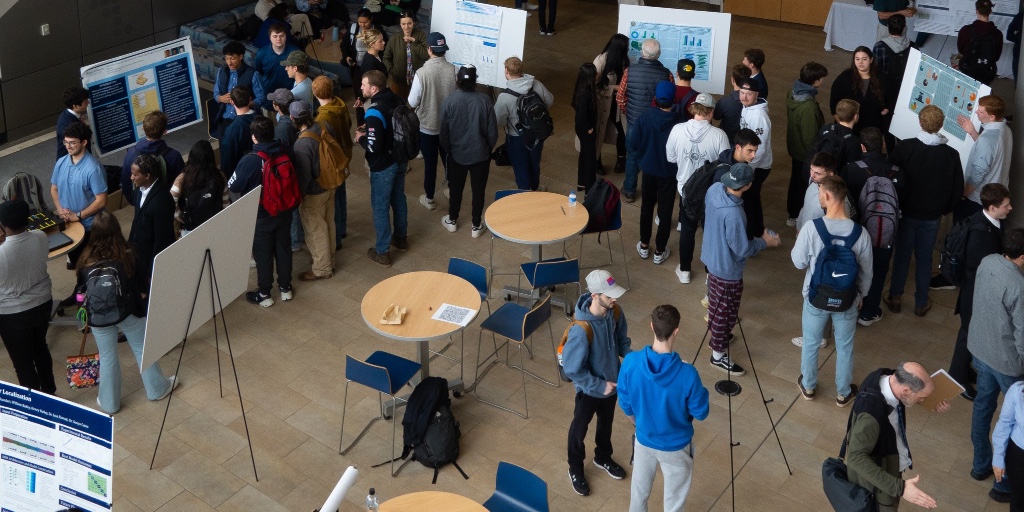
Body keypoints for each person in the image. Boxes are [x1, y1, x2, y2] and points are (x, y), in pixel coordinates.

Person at [77, 212, 176, 414]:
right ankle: (157, 389)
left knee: (107, 357)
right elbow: (142, 282)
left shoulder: (85, 258)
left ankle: (109, 403)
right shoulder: (129, 252)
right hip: (128, 311)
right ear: (117, 230)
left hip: (98, 317)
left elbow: (80, 290)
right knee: (141, 348)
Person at [617, 304, 709, 512]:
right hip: (676, 446)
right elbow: (701, 412)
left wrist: (638, 422)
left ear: (651, 327)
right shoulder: (688, 374)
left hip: (643, 441)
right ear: (676, 331)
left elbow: (624, 401)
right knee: (674, 503)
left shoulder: (630, 362)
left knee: (638, 495)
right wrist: (693, 380)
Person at [792, 175, 873, 406]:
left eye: (819, 194)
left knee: (811, 342)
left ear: (827, 196)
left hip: (816, 298)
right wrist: (860, 296)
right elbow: (867, 273)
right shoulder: (861, 234)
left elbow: (798, 262)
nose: (819, 197)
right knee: (845, 345)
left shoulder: (811, 228)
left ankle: (808, 386)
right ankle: (843, 392)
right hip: (847, 300)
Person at [701, 163, 781, 375]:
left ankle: (719, 335)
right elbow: (742, 248)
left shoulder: (714, 190)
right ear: (747, 186)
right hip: (727, 270)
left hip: (711, 259)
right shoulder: (735, 214)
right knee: (725, 312)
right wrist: (765, 242)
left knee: (715, 305)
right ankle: (717, 354)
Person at [885, 105, 963, 317]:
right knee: (924, 257)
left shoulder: (904, 148)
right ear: (941, 125)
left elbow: (891, 179)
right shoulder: (951, 154)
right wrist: (943, 209)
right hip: (932, 216)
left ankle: (895, 296)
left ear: (920, 123)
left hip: (907, 212)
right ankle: (921, 302)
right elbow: (957, 189)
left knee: (901, 255)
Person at [562, 269, 632, 497]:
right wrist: (599, 386)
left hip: (612, 384)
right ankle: (575, 467)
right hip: (589, 391)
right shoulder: (581, 330)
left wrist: (635, 361)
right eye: (609, 295)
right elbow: (572, 369)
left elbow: (622, 343)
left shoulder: (615, 312)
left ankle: (602, 457)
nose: (615, 299)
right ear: (594, 295)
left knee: (606, 424)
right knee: (578, 430)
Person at [968, 229, 1024, 504]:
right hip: (1006, 361)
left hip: (980, 348)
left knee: (982, 407)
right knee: (1013, 419)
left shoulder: (988, 261)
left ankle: (980, 466)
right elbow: (1021, 333)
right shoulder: (1018, 284)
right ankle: (1005, 485)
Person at [845, 362, 948, 511]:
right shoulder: (871, 415)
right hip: (878, 483)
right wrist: (901, 488)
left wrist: (933, 402)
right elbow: (855, 457)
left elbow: (909, 396)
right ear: (906, 391)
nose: (922, 401)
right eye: (922, 397)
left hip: (889, 461)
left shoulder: (887, 379)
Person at [948, 184, 1011, 401]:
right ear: (992, 207)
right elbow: (984, 268)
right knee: (968, 334)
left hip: (975, 289)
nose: (1010, 208)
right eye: (1006, 205)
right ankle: (957, 377)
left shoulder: (986, 221)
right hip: (975, 291)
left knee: (969, 333)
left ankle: (963, 371)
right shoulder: (981, 234)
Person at [228, 116, 294, 307]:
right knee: (283, 248)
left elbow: (233, 184)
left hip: (261, 215)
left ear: (254, 137)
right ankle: (285, 288)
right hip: (285, 210)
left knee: (263, 254)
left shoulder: (250, 160)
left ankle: (265, 293)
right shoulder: (284, 150)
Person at [841, 128, 902, 328]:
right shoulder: (897, 171)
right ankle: (869, 312)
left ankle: (850, 308)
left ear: (862, 147)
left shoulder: (851, 169)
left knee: (854, 270)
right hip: (885, 235)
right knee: (879, 272)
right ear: (883, 145)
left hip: (857, 232)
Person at [666, 92, 729, 284]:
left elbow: (671, 158)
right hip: (710, 192)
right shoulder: (719, 135)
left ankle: (685, 270)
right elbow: (725, 165)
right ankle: (711, 273)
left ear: (694, 109)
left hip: (686, 189)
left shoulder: (677, 129)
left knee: (687, 230)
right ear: (711, 112)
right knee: (711, 233)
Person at [0, 199, 55, 394]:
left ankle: (33, 403)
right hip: (42, 303)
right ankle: (50, 392)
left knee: (22, 362)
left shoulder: (2, 252)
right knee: (40, 346)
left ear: (3, 225)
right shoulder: (40, 236)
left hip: (12, 315)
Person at [439, 65, 497, 238]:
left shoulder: (449, 101)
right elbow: (493, 131)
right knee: (478, 190)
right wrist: (488, 148)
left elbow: (443, 132)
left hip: (457, 155)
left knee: (455, 188)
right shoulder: (485, 100)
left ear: (457, 80)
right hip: (480, 154)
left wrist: (449, 149)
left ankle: (452, 219)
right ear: (475, 80)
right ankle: (476, 224)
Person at [357, 70, 408, 266]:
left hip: (383, 166)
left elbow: (373, 146)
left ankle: (382, 251)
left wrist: (361, 138)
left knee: (380, 206)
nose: (361, 88)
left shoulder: (374, 111)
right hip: (400, 158)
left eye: (364, 85)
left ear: (374, 88)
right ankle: (401, 238)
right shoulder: (398, 99)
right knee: (398, 198)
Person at [616, 38, 673, 202]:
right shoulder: (666, 74)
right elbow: (670, 98)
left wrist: (628, 111)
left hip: (634, 120)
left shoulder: (629, 71)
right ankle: (651, 192)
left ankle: (629, 190)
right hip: (656, 122)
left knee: (632, 154)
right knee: (655, 154)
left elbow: (620, 97)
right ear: (659, 54)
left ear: (642, 53)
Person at [631, 80, 678, 266]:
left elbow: (633, 144)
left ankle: (644, 245)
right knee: (665, 211)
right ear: (674, 100)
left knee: (646, 207)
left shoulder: (644, 118)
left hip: (648, 170)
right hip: (669, 172)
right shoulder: (679, 122)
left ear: (655, 99)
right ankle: (659, 251)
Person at [51, 122, 107, 275]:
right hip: (69, 224)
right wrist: (61, 209)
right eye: (66, 142)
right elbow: (54, 189)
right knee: (77, 265)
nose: (68, 146)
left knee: (91, 265)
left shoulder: (93, 169)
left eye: (72, 143)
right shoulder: (61, 162)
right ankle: (80, 289)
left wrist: (78, 215)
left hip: (90, 227)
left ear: (84, 142)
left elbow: (101, 200)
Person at [410, 32, 457, 211]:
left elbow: (413, 101)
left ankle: (429, 198)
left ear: (429, 50)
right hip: (447, 127)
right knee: (449, 161)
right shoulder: (454, 70)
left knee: (430, 165)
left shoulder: (421, 73)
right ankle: (452, 190)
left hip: (427, 128)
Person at [291, 100, 336, 281]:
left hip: (313, 193)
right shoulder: (324, 126)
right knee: (328, 224)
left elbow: (304, 176)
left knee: (316, 231)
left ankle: (322, 269)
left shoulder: (301, 144)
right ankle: (329, 260)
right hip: (330, 185)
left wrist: (298, 197)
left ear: (293, 118)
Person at [495, 56, 554, 192]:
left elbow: (499, 120)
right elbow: (550, 101)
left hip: (516, 136)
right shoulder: (536, 84)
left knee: (520, 165)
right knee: (534, 163)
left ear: (506, 72)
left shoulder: (504, 97)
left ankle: (524, 193)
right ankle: (535, 188)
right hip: (537, 133)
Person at [955, 94, 1012, 221]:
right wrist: (973, 132)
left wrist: (964, 194)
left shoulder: (987, 140)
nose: (976, 112)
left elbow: (978, 172)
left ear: (991, 117)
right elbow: (991, 152)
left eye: (981, 111)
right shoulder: (1006, 130)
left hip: (978, 198)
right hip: (998, 192)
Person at [312, 75, 353, 250]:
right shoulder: (340, 105)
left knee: (334, 200)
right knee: (342, 194)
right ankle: (342, 228)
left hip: (332, 159)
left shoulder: (322, 119)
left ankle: (336, 239)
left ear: (315, 93)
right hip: (344, 154)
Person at [786, 61, 828, 226]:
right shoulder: (808, 106)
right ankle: (796, 214)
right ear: (815, 81)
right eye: (821, 79)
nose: (822, 82)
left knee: (795, 179)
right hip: (805, 153)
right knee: (802, 183)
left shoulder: (792, 92)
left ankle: (792, 212)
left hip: (794, 145)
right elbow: (810, 138)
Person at [126, 153, 176, 287]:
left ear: (147, 176)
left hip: (150, 258)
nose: (131, 178)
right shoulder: (137, 192)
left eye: (135, 175)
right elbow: (136, 221)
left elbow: (162, 239)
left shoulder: (162, 201)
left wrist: (150, 272)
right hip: (138, 253)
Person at [120, 111, 185, 205]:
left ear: (143, 128)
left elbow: (126, 182)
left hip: (140, 202)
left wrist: (135, 201)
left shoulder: (131, 153)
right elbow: (180, 182)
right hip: (165, 203)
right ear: (165, 131)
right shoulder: (174, 156)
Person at [736, 78, 772, 240]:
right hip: (751, 163)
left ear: (756, 94)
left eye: (748, 94)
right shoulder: (747, 107)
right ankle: (756, 230)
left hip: (757, 166)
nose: (744, 97)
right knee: (752, 198)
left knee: (750, 200)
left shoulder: (759, 116)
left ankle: (753, 233)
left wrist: (748, 169)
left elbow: (760, 148)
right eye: (742, 93)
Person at [171, 140, 228, 236]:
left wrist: (180, 217)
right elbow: (226, 203)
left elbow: (172, 199)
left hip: (192, 227)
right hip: (215, 225)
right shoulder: (219, 176)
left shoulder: (183, 177)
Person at [341, 9, 387, 123]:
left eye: (365, 22)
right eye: (360, 22)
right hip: (358, 68)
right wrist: (347, 56)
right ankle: (361, 125)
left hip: (367, 72)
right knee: (361, 95)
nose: (362, 25)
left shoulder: (377, 32)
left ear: (370, 20)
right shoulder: (370, 61)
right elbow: (345, 45)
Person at [210, 41, 264, 139]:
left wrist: (245, 103)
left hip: (244, 120)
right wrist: (220, 98)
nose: (229, 62)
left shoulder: (252, 74)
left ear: (240, 57)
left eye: (232, 58)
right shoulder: (221, 71)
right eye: (226, 58)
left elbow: (261, 98)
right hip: (225, 119)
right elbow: (216, 93)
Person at [873, 14, 911, 152]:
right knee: (902, 125)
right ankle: (902, 154)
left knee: (887, 125)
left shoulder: (879, 46)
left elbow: (875, 72)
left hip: (885, 93)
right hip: (905, 93)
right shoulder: (913, 46)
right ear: (904, 28)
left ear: (888, 28)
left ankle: (891, 152)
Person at [593, 34, 630, 173]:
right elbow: (593, 84)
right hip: (602, 102)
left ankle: (621, 160)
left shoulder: (624, 60)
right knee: (598, 131)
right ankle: (596, 162)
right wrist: (612, 87)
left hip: (617, 103)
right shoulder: (601, 60)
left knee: (622, 130)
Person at [830, 47, 887, 134]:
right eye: (857, 59)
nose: (860, 62)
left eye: (864, 59)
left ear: (871, 60)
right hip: (850, 126)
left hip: (872, 126)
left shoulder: (881, 78)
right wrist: (842, 124)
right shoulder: (844, 78)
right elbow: (834, 103)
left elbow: (890, 97)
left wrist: (886, 109)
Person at [254, 22, 301, 111]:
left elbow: (300, 73)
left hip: (289, 96)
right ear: (270, 38)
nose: (278, 39)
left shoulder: (295, 52)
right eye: (275, 36)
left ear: (286, 36)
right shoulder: (261, 54)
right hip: (269, 97)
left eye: (281, 36)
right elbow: (258, 74)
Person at [992, 380, 1024, 509]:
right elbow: (1005, 423)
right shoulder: (1017, 390)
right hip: (1019, 456)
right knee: (1019, 498)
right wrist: (998, 458)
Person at [381, 10, 427, 99]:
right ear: (400, 24)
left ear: (414, 22)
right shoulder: (395, 38)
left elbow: (426, 55)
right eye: (403, 24)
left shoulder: (421, 36)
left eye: (409, 23)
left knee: (416, 105)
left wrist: (414, 42)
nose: (406, 27)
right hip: (398, 80)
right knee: (398, 105)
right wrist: (392, 71)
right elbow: (386, 57)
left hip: (417, 80)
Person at [957, 0, 1003, 85]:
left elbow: (961, 50)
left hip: (968, 70)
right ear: (990, 11)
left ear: (977, 11)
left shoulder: (965, 30)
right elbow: (996, 57)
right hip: (987, 72)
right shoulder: (998, 34)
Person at [218, 86, 258, 178]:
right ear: (250, 99)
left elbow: (227, 160)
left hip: (241, 175)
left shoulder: (231, 130)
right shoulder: (261, 120)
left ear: (232, 102)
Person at [573, 63, 599, 192]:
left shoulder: (581, 88)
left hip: (582, 128)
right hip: (586, 129)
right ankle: (590, 186)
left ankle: (582, 182)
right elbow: (581, 115)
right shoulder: (586, 93)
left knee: (584, 154)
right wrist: (589, 128)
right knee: (590, 158)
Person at [355, 28, 388, 126]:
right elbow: (366, 83)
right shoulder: (370, 62)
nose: (384, 42)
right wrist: (361, 97)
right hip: (372, 100)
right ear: (372, 44)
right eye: (380, 41)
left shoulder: (376, 55)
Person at [712, 64, 752, 144]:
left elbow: (716, 116)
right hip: (745, 142)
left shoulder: (725, 102)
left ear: (732, 80)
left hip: (727, 141)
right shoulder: (753, 100)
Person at [56, 85, 89, 160]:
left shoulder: (67, 115)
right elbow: (67, 149)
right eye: (85, 102)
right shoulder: (68, 125)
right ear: (75, 106)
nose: (88, 103)